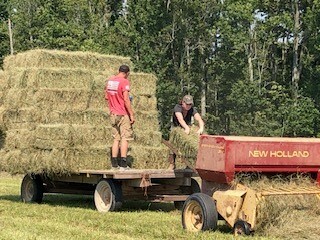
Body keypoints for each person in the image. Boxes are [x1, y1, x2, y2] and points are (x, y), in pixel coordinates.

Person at [105, 65, 135, 170]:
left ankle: (114, 164)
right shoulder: (124, 82)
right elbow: (126, 100)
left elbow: (106, 97)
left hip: (113, 113)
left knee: (116, 139)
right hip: (122, 113)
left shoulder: (110, 81)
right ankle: (123, 164)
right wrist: (131, 114)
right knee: (125, 138)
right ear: (127, 73)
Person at [168, 95, 205, 169]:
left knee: (189, 144)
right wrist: (186, 128)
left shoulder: (192, 109)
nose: (188, 106)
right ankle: (172, 164)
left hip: (188, 126)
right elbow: (180, 119)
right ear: (183, 102)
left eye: (190, 104)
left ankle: (189, 164)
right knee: (172, 144)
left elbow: (199, 119)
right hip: (176, 127)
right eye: (187, 104)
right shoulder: (177, 108)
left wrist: (201, 128)